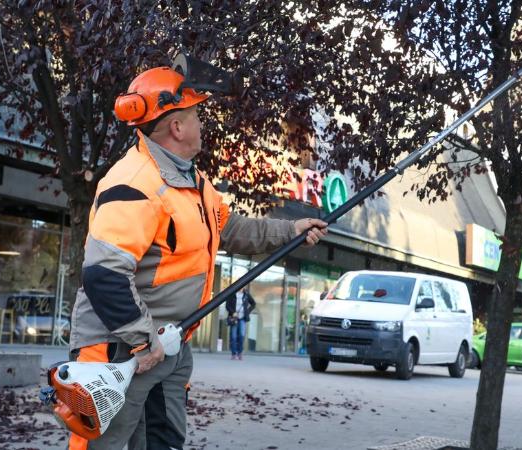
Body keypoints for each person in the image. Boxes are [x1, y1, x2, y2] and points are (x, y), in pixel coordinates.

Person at [67, 65, 328, 450]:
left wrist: (292, 231)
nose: (202, 123)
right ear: (177, 127)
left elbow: (231, 229)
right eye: (196, 115)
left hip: (168, 346)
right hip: (119, 350)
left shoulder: (193, 182)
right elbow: (104, 275)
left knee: (163, 441)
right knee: (102, 445)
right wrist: (143, 342)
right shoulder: (133, 184)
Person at [225, 288, 256, 359]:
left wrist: (247, 311)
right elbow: (227, 306)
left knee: (241, 336)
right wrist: (232, 312)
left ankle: (240, 353)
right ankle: (233, 354)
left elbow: (253, 304)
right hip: (234, 318)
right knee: (233, 336)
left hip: (242, 318)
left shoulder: (246, 295)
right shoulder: (232, 294)